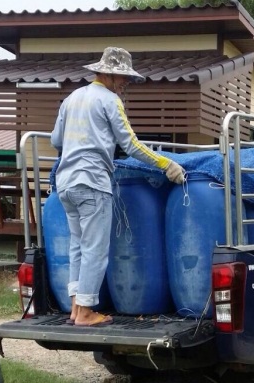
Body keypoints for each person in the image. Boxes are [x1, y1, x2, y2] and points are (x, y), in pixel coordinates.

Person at [51, 46, 186, 326]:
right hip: (92, 181)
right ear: (108, 74)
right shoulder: (111, 101)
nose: (126, 83)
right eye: (123, 77)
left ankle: (76, 308)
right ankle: (87, 313)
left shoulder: (72, 98)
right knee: (96, 249)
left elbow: (56, 141)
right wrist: (166, 164)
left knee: (78, 244)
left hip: (65, 183)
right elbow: (131, 145)